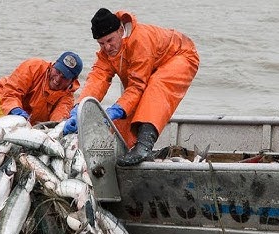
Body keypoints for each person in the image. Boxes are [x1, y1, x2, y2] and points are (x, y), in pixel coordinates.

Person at [64, 8, 200, 166]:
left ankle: (144, 146)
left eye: (110, 40)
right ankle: (127, 151)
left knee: (156, 86)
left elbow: (136, 87)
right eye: (101, 43)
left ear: (120, 30)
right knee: (122, 121)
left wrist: (116, 109)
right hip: (150, 66)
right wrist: (80, 108)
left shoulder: (139, 40)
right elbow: (98, 78)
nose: (107, 47)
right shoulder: (107, 53)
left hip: (182, 55)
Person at [0, 51, 83, 124]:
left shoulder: (67, 98)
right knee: (8, 126)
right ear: (54, 65)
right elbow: (11, 93)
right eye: (57, 71)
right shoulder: (34, 66)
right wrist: (15, 110)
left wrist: (62, 126)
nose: (58, 78)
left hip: (26, 121)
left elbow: (57, 120)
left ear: (73, 80)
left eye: (64, 76)